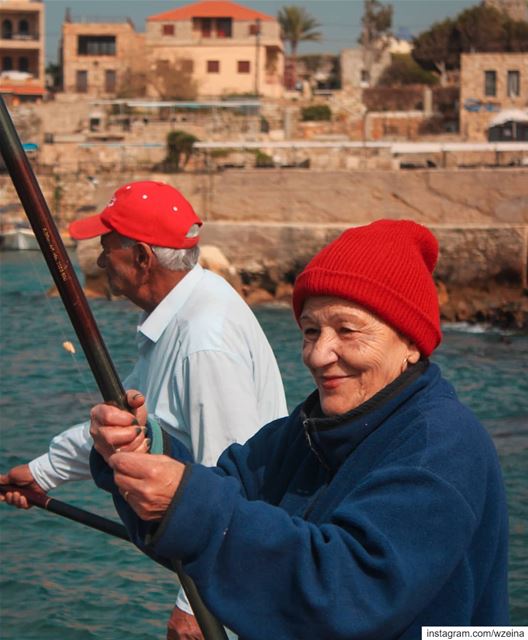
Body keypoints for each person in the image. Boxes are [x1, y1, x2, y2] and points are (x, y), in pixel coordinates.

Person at [89, 219, 509, 639]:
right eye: (311, 331)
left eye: (346, 330)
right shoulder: (306, 430)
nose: (319, 354)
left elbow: (347, 593)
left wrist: (185, 501)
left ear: (412, 342)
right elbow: (212, 497)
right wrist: (142, 452)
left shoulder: (442, 444)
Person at [0, 180, 287, 639]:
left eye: (105, 246)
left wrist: (195, 605)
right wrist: (42, 472)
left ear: (141, 258)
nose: (97, 260)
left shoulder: (203, 342)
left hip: (235, 587)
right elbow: (121, 420)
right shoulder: (185, 309)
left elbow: (235, 479)